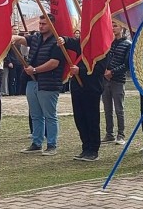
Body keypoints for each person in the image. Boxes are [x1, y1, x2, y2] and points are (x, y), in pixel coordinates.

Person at [15, 15, 66, 155]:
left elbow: (54, 63)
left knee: (50, 115)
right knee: (35, 115)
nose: (41, 26)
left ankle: (51, 145)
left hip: (49, 82)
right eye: (40, 23)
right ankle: (36, 142)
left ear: (52, 24)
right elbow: (23, 40)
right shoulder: (36, 38)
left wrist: (35, 70)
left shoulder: (58, 41)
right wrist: (13, 37)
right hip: (32, 81)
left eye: (44, 24)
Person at [60, 33, 104, 162]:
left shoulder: (102, 48)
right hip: (77, 87)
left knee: (91, 119)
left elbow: (100, 69)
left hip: (91, 87)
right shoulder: (83, 43)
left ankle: (93, 149)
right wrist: (64, 39)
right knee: (80, 118)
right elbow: (72, 42)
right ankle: (85, 147)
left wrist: (81, 71)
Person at [101, 20, 130, 143]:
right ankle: (109, 134)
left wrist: (112, 72)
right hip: (105, 80)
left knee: (119, 109)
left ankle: (121, 134)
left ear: (121, 27)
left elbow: (126, 64)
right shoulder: (108, 43)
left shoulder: (127, 44)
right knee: (107, 109)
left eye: (115, 26)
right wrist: (104, 71)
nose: (113, 28)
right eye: (111, 25)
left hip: (118, 80)